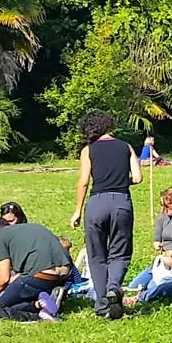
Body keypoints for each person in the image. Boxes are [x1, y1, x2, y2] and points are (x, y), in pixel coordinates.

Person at [68, 110, 140, 320]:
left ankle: (102, 306)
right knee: (120, 252)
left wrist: (77, 211)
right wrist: (119, 180)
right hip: (121, 202)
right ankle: (114, 287)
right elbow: (138, 177)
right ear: (109, 125)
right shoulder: (126, 147)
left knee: (97, 256)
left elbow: (83, 182)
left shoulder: (88, 150)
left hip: (96, 203)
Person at [0, 217, 70, 323]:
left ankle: (39, 314)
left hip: (40, 276)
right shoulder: (32, 228)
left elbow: (3, 278)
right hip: (63, 276)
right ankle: (44, 300)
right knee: (21, 292)